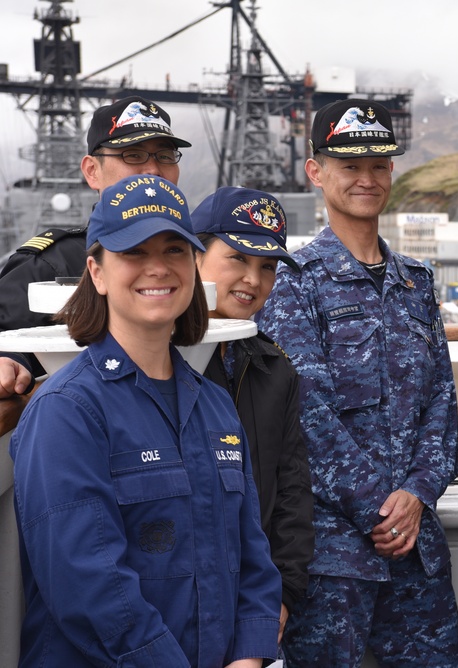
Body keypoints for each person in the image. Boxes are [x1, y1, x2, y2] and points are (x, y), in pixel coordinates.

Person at [10, 174, 282, 666]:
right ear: (96, 272)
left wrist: (249, 657)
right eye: (134, 252)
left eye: (175, 250)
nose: (158, 268)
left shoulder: (214, 406)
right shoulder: (67, 412)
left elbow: (253, 560)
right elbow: (89, 587)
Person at [258, 99, 458, 667]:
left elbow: (441, 408)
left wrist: (418, 494)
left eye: (378, 165)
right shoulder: (294, 282)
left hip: (416, 548)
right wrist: (381, 509)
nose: (366, 178)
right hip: (332, 559)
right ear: (316, 171)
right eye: (349, 166)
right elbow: (307, 417)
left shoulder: (415, 283)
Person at [0, 95, 190, 394]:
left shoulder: (199, 260)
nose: (154, 170)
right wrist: (11, 357)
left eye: (165, 156)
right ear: (92, 171)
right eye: (133, 154)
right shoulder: (50, 263)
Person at [191, 186, 315, 644]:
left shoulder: (273, 368)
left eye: (267, 267)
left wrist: (282, 594)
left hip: (256, 601)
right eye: (238, 258)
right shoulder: (157, 360)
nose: (253, 279)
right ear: (195, 255)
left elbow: (292, 492)